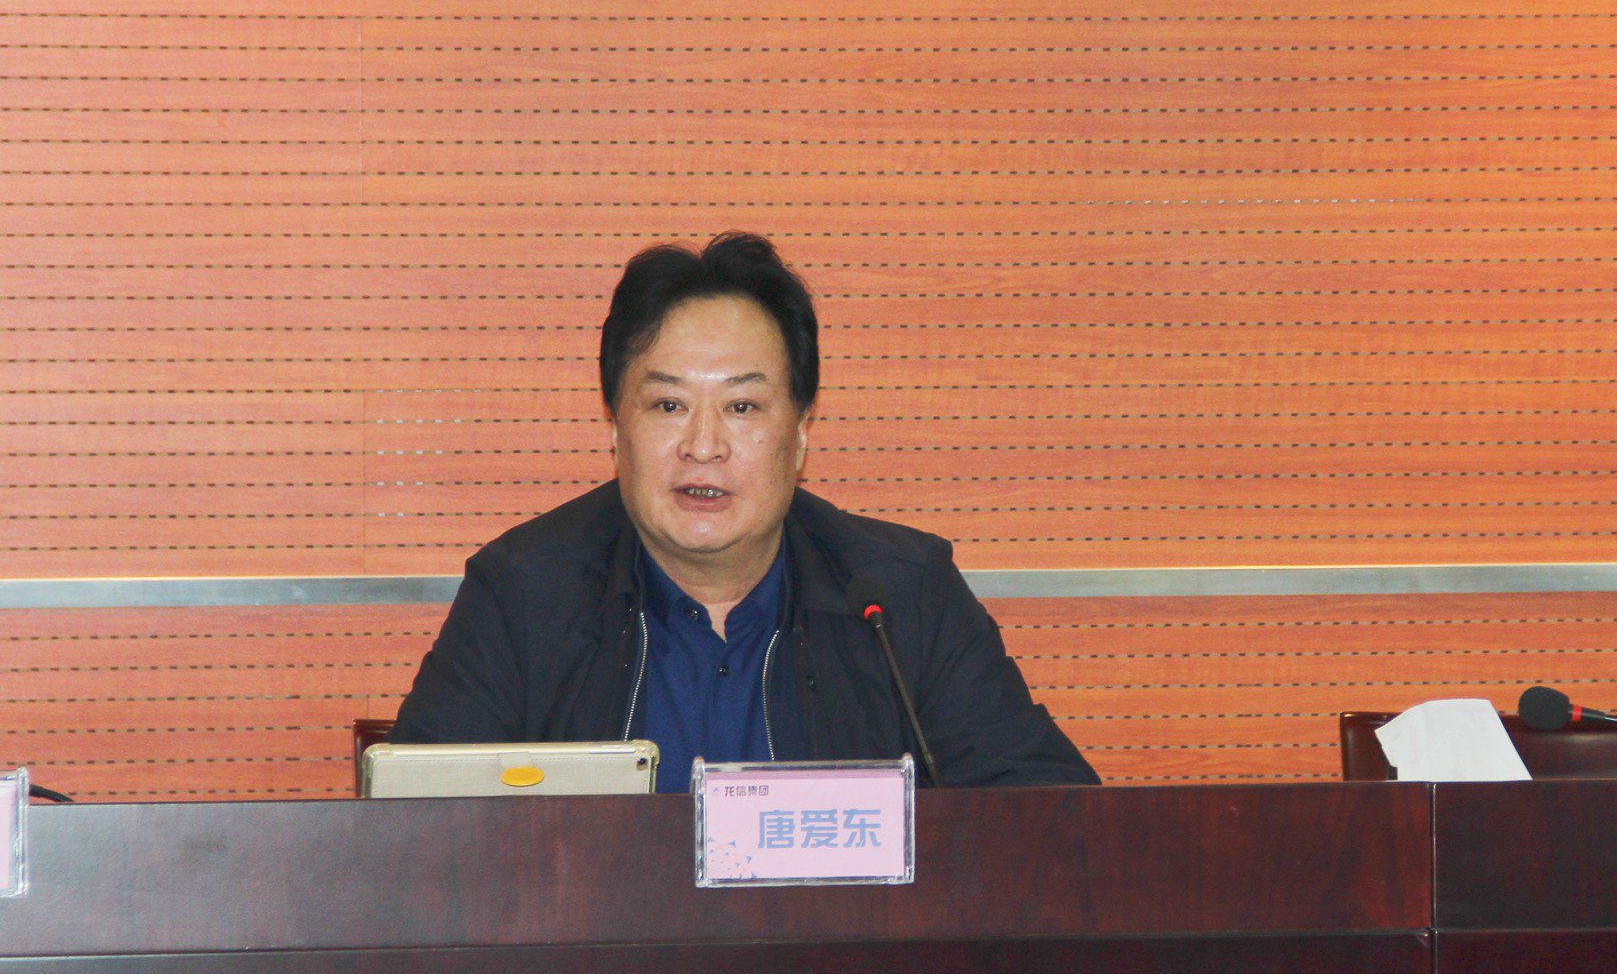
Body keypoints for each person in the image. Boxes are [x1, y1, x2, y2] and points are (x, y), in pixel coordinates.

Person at [391, 232, 1098, 791]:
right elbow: (416, 837)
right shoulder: (523, 595)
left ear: (801, 431)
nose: (703, 445)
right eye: (669, 404)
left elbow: (1046, 819)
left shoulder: (899, 596)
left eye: (742, 406)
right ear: (615, 424)